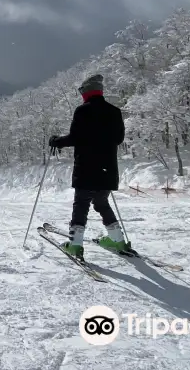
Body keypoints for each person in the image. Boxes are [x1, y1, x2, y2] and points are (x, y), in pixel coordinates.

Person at [48, 74, 127, 260]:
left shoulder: (82, 111)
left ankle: (75, 245)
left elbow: (75, 138)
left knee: (81, 205)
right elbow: (119, 139)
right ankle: (118, 240)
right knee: (101, 203)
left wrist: (56, 141)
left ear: (86, 92)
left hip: (87, 168)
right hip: (108, 170)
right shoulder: (115, 111)